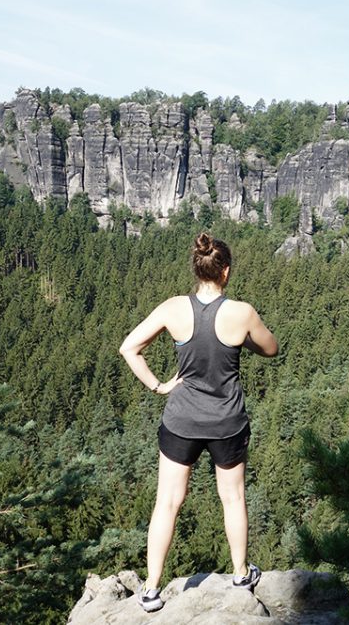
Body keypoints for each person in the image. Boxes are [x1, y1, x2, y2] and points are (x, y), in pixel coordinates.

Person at [119, 231, 278, 613]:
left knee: (168, 502)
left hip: (181, 420)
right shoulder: (242, 313)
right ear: (225, 272)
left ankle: (151, 589)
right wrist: (244, 342)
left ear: (197, 269)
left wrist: (159, 386)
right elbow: (271, 349)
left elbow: (129, 347)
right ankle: (241, 573)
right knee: (233, 497)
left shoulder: (173, 308)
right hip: (227, 420)